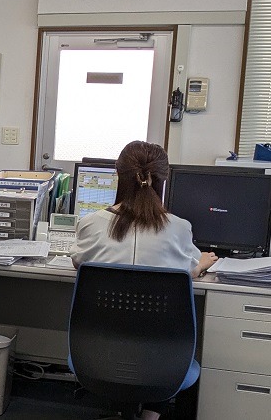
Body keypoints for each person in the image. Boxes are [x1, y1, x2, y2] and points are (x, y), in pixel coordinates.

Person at [69, 140, 218, 420]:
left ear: (118, 175)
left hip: (96, 356)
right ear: (163, 180)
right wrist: (200, 265)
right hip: (164, 363)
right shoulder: (179, 228)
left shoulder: (91, 223)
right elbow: (184, 270)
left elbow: (78, 262)